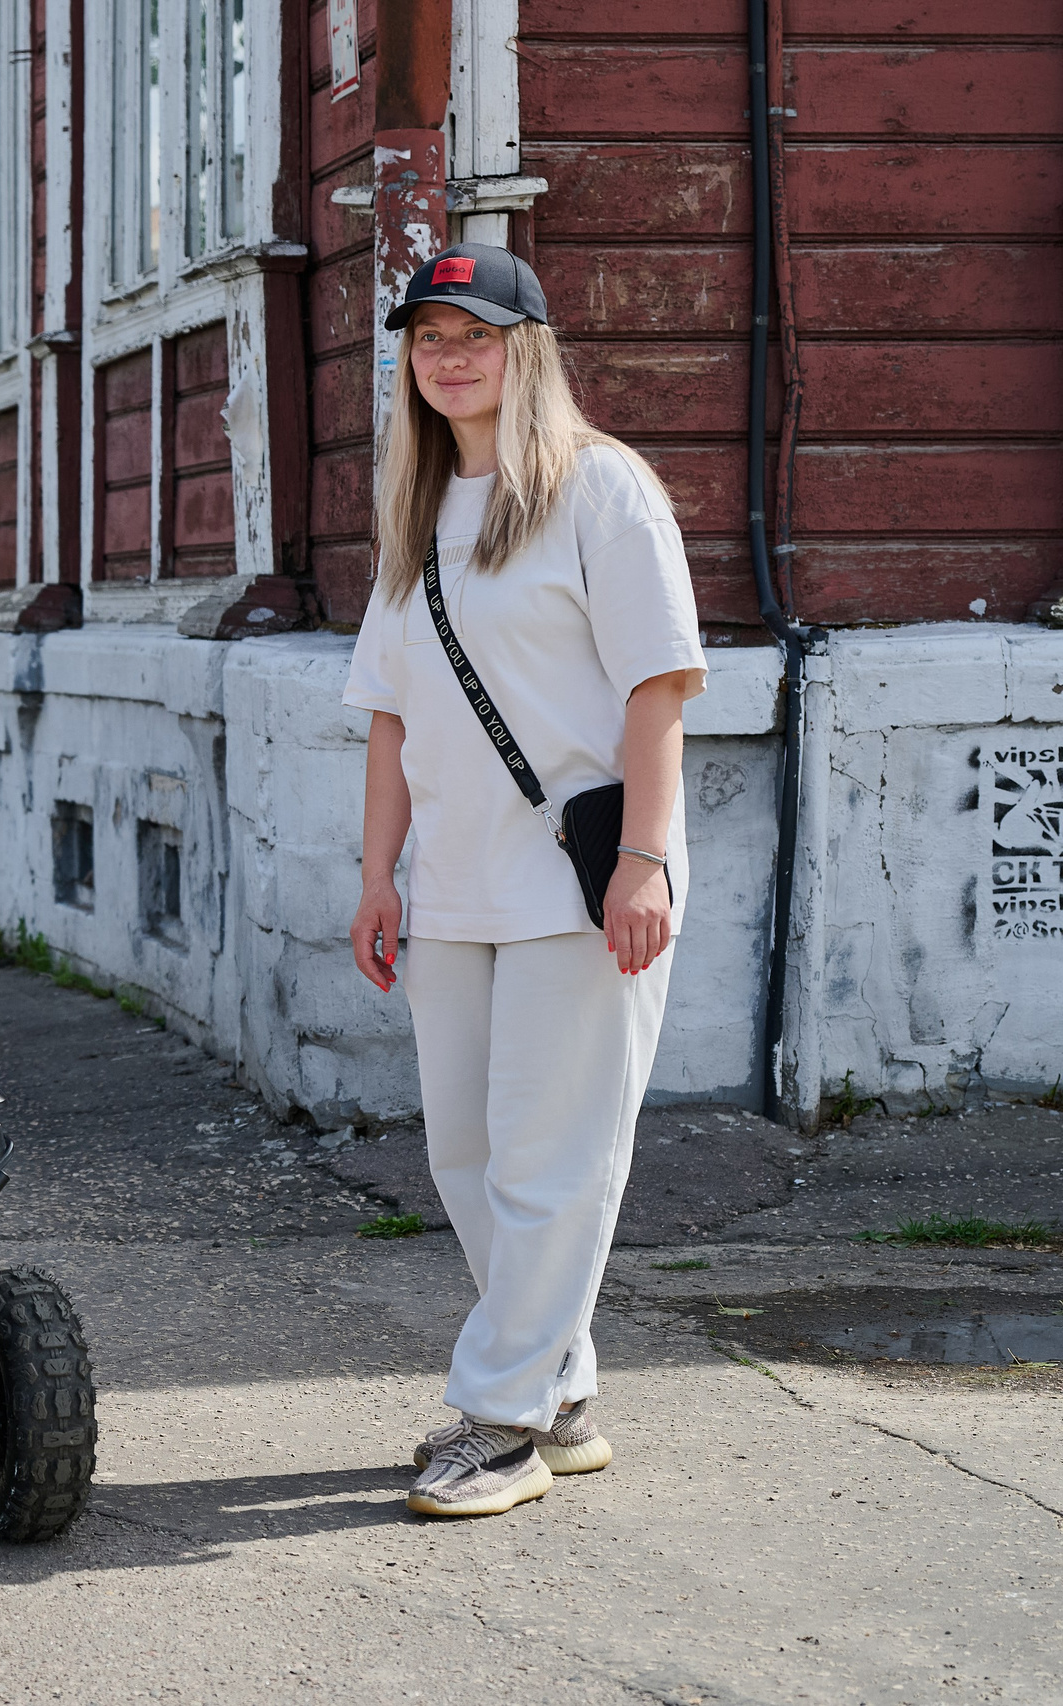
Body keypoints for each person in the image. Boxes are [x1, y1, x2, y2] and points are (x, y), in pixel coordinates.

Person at [342, 245, 706, 1520]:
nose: (447, 355)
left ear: (527, 347)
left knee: (551, 1158)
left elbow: (656, 688)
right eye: (426, 335)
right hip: (448, 883)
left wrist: (647, 862)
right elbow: (390, 715)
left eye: (474, 332)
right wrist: (377, 873)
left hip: (579, 875)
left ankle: (496, 1421)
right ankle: (562, 1388)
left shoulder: (602, 492)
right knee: (467, 1152)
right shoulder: (413, 506)